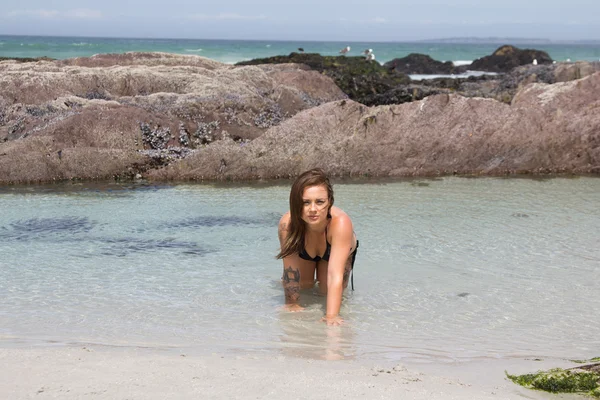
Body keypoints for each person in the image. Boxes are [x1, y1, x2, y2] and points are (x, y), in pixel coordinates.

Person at [277, 168, 358, 326]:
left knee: (326, 291)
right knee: (305, 286)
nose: (312, 209)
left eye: (319, 202)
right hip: (305, 247)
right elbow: (290, 271)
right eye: (306, 202)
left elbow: (335, 276)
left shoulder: (341, 223)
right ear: (296, 203)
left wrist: (331, 316)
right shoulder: (287, 225)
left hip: (336, 248)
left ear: (330, 202)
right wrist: (292, 305)